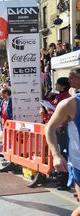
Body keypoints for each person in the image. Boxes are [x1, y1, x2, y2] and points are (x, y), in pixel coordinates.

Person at [45, 68, 80, 216]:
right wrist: (56, 154)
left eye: (72, 77)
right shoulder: (70, 104)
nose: (70, 80)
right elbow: (49, 128)